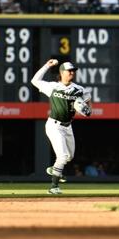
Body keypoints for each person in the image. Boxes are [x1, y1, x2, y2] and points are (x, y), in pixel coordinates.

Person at [31, 59, 91, 195]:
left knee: (69, 156)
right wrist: (47, 65)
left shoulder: (79, 89)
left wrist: (87, 110)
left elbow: (87, 102)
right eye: (69, 71)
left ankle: (54, 170)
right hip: (54, 125)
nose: (72, 73)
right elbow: (34, 80)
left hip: (68, 127)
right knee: (63, 156)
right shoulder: (52, 86)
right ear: (62, 72)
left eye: (73, 71)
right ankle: (53, 186)